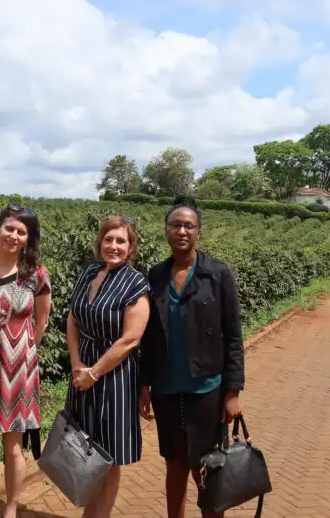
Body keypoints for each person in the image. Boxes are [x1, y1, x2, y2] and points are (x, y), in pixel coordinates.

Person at [138, 198, 245, 518]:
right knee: (174, 465)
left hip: (206, 389)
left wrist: (233, 392)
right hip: (167, 390)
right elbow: (147, 337)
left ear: (198, 232)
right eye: (175, 224)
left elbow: (234, 335)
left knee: (208, 467)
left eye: (189, 225)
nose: (181, 230)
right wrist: (144, 385)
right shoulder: (155, 276)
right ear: (166, 230)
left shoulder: (218, 274)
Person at [0, 204, 52, 518]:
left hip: (19, 369)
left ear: (28, 239)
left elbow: (41, 322)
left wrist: (21, 353)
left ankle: (11, 507)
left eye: (21, 232)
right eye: (9, 228)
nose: (13, 236)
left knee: (14, 443)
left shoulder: (36, 275)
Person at [64, 216, 151, 518]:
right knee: (83, 445)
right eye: (108, 239)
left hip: (114, 375)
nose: (113, 246)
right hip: (82, 369)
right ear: (100, 242)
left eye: (121, 241)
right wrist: (77, 364)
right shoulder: (89, 272)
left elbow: (130, 340)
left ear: (130, 247)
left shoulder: (135, 282)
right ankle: (89, 508)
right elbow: (73, 318)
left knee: (108, 454)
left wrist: (94, 372)